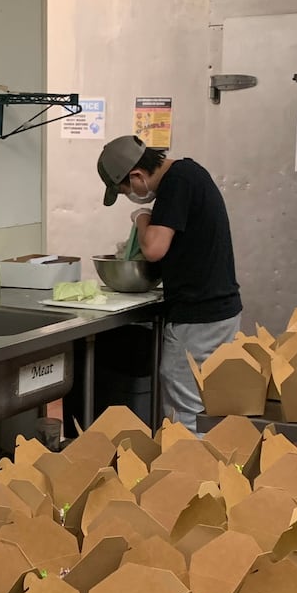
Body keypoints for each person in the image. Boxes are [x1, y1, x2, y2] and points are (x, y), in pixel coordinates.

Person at [96, 134, 243, 426]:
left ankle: (185, 470)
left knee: (184, 416)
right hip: (221, 311)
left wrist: (141, 217)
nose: (131, 195)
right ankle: (211, 470)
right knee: (208, 409)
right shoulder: (191, 173)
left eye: (126, 190)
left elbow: (154, 249)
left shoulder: (176, 183)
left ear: (137, 176)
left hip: (197, 317)